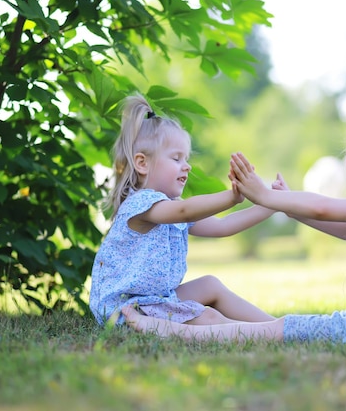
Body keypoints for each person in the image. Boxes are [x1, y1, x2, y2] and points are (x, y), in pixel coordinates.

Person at [122, 104, 346, 348]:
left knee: (298, 328)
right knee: (308, 327)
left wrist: (266, 196)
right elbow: (345, 228)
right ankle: (257, 329)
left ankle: (166, 329)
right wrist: (291, 209)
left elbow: (326, 208)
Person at [89, 93, 276, 327]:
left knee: (210, 284)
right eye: (176, 158)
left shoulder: (171, 209)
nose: (186, 166)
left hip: (153, 301)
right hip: (126, 311)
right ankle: (269, 331)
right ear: (142, 163)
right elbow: (185, 211)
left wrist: (269, 204)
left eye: (185, 158)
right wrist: (233, 196)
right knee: (209, 317)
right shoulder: (140, 205)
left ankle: (281, 325)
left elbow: (222, 226)